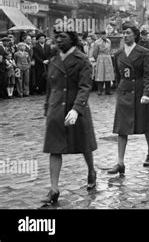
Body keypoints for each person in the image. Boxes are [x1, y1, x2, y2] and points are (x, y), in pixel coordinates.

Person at [41, 31, 97, 205]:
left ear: (72, 39)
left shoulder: (82, 60)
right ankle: (54, 189)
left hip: (76, 108)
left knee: (84, 144)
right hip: (56, 109)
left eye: (63, 37)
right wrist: (47, 107)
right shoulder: (53, 60)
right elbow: (50, 87)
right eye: (56, 37)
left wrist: (76, 109)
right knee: (54, 147)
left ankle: (91, 171)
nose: (58, 40)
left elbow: (85, 87)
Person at [108, 23, 149, 175]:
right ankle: (120, 162)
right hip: (124, 93)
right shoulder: (118, 54)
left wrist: (146, 93)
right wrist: (120, 89)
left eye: (128, 32)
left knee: (145, 124)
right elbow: (118, 75)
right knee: (121, 128)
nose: (125, 35)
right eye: (123, 32)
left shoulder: (144, 52)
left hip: (140, 92)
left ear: (135, 35)